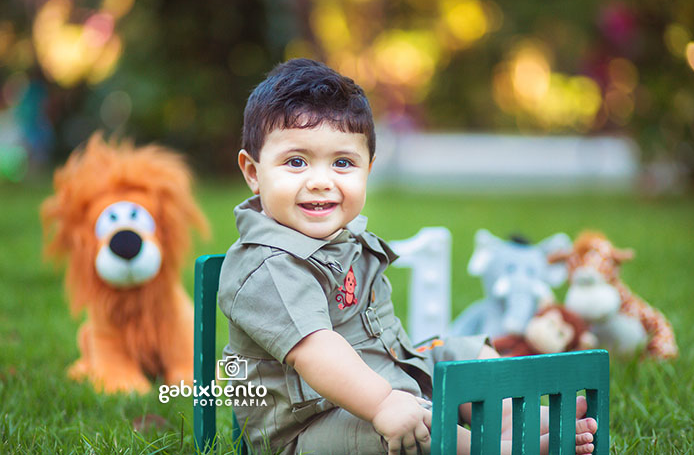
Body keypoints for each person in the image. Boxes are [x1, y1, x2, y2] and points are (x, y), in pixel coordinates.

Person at [218, 58, 598, 454]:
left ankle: (508, 419)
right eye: (296, 162)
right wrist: (384, 402)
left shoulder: (342, 241)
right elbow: (317, 352)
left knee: (467, 353)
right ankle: (497, 450)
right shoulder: (268, 265)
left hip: (390, 383)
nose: (320, 181)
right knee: (405, 430)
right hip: (310, 429)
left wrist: (402, 387)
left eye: (343, 163)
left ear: (368, 169)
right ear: (253, 171)